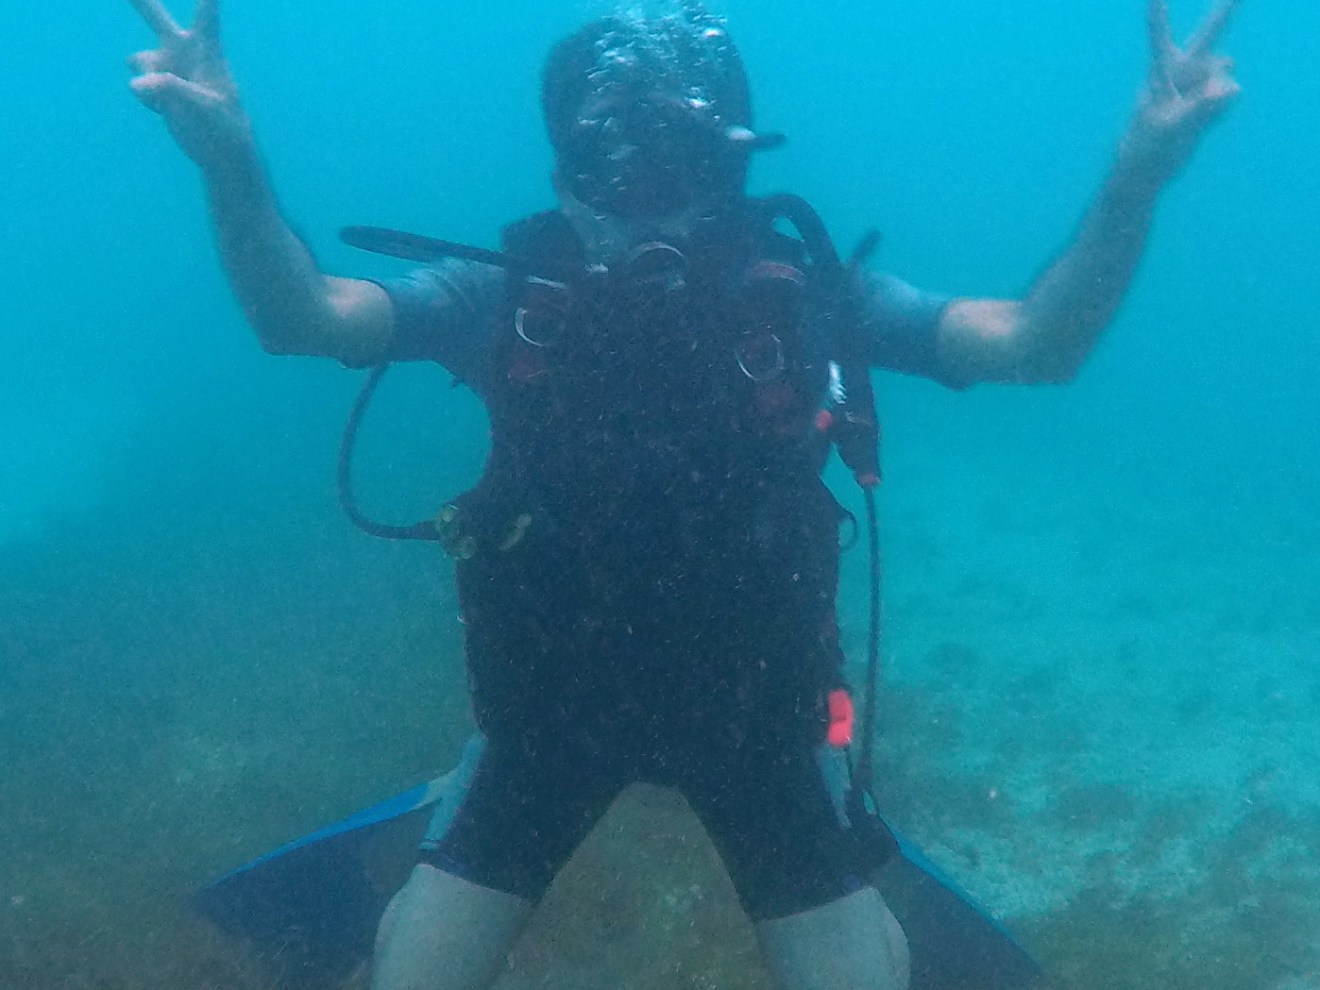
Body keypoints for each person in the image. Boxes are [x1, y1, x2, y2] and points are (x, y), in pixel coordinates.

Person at [125, 2, 1242, 988]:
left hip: (760, 715)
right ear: (565, 170)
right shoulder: (502, 295)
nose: (650, 210)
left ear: (737, 164)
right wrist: (229, 164)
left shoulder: (807, 294)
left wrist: (1138, 176)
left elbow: (1036, 345)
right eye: (616, 171)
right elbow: (303, 319)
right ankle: (445, 806)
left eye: (688, 170)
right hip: (547, 714)